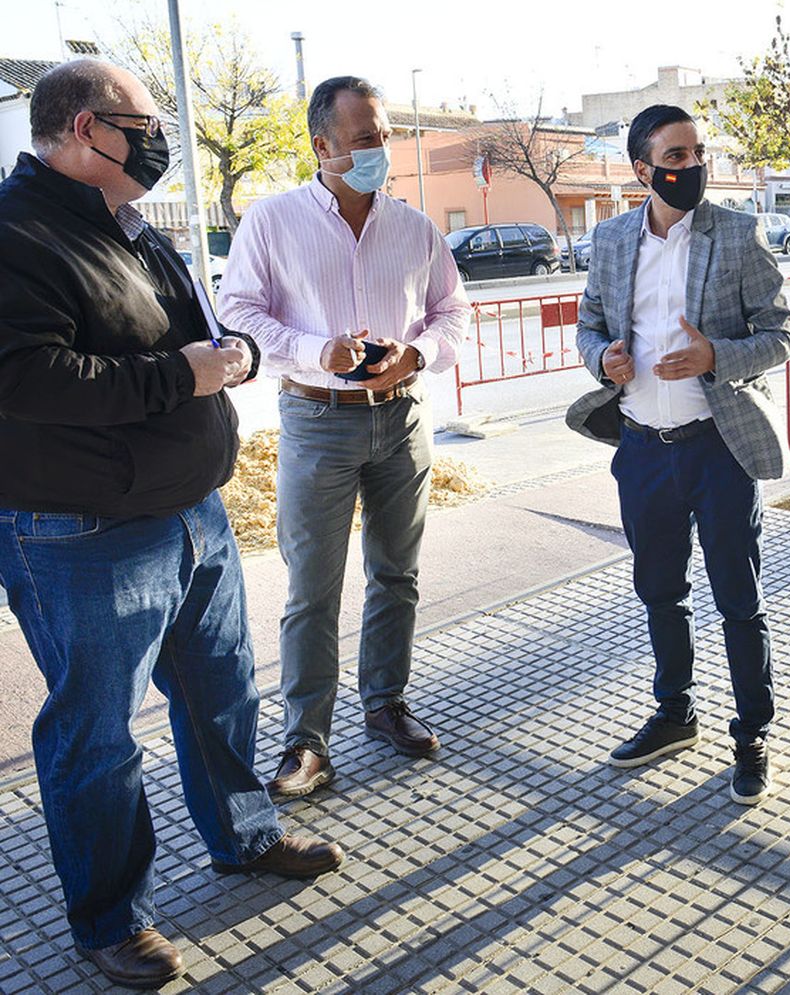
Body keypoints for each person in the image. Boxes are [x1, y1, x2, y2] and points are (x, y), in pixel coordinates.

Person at [0, 59, 344, 990]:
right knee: (98, 735)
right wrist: (180, 377)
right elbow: (26, 379)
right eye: (142, 123)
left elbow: (175, 337)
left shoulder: (126, 226)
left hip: (191, 511)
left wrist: (229, 357)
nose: (160, 139)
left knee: (221, 693)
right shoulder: (16, 232)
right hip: (83, 534)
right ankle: (111, 918)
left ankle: (244, 836)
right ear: (82, 128)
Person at [218, 76, 471, 801]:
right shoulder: (272, 222)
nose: (380, 150)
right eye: (365, 139)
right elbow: (237, 311)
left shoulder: (414, 225)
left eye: (385, 135)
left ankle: (386, 703)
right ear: (322, 145)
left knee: (398, 573)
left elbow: (452, 307)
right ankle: (307, 742)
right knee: (312, 588)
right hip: (316, 419)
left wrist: (417, 353)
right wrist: (312, 349)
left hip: (402, 417)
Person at [568, 104, 790, 804]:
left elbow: (781, 334)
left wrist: (714, 356)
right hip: (642, 450)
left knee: (738, 599)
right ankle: (675, 713)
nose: (690, 167)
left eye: (697, 153)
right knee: (660, 591)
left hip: (718, 450)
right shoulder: (608, 240)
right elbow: (588, 324)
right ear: (642, 170)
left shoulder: (737, 233)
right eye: (674, 157)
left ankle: (752, 732)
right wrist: (599, 358)